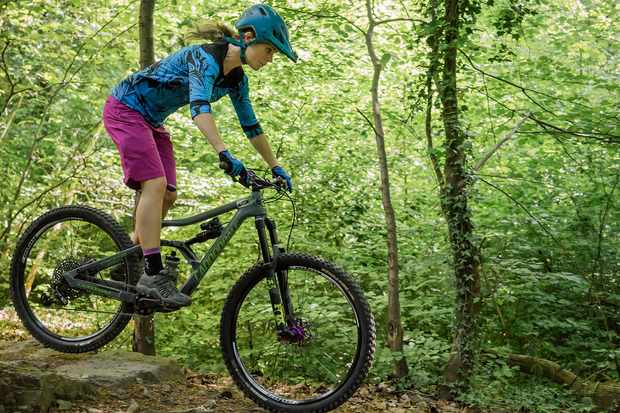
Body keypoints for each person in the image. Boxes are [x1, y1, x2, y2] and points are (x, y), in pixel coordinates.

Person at [102, 4, 296, 308]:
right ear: (248, 37)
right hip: (125, 109)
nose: (271, 59)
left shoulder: (236, 79)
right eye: (269, 50)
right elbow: (199, 109)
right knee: (153, 184)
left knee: (167, 195)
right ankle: (152, 273)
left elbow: (252, 126)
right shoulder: (204, 58)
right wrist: (224, 154)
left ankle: (127, 264)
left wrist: (276, 166)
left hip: (151, 121)